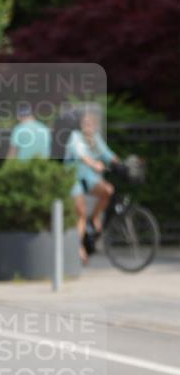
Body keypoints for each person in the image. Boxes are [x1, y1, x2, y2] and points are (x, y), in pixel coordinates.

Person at [64, 109, 119, 263]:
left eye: (90, 122)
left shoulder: (95, 138)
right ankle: (79, 247)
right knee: (80, 211)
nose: (88, 125)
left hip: (88, 176)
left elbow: (108, 154)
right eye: (85, 122)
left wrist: (122, 164)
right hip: (72, 176)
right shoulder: (75, 137)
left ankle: (94, 218)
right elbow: (82, 156)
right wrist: (94, 164)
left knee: (108, 190)